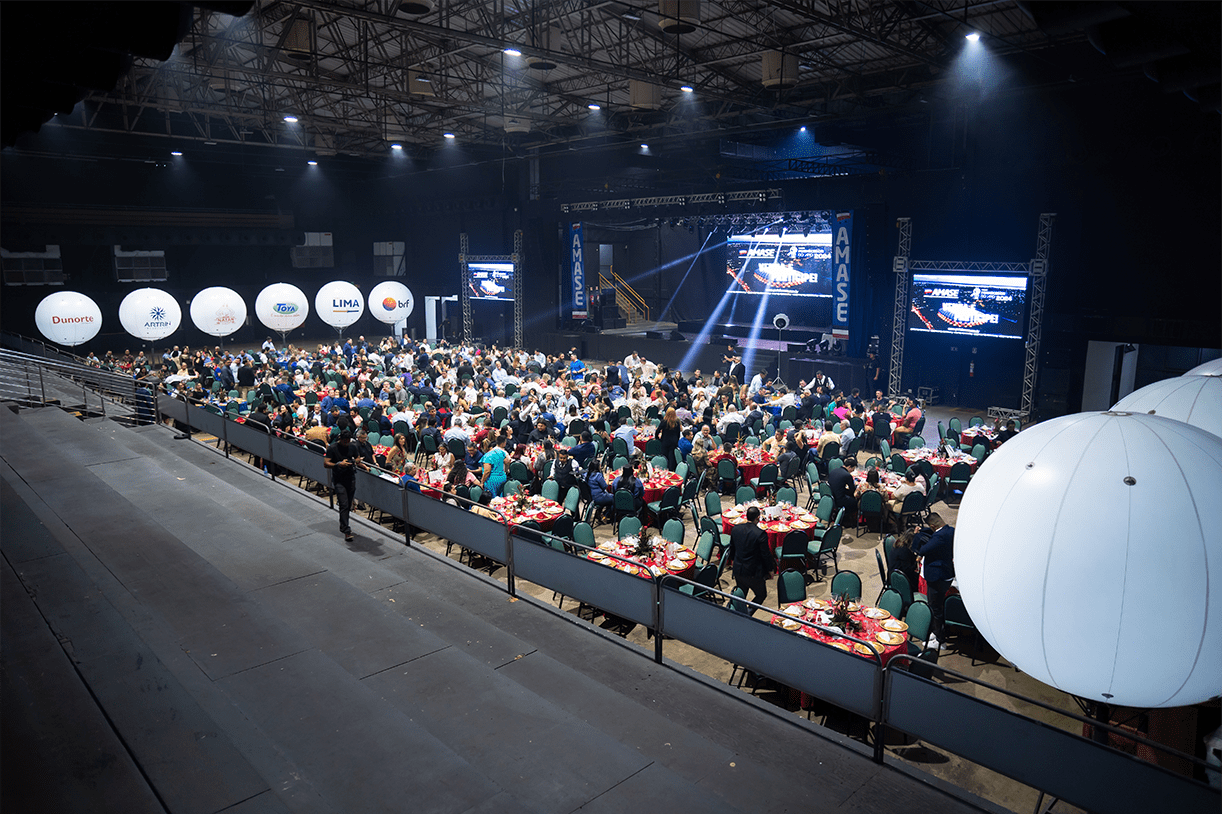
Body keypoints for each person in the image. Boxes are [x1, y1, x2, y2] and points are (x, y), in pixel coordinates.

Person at [913, 513, 955, 645]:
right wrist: (924, 530)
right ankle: (937, 631)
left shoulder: (938, 537)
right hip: (946, 573)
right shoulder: (951, 531)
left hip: (938, 577)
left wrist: (917, 536)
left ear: (933, 526)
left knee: (935, 607)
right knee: (937, 606)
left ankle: (940, 640)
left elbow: (923, 549)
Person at [726, 506, 776, 605]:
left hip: (738, 569)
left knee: (741, 596)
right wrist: (770, 570)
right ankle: (748, 612)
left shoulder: (736, 529)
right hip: (753, 573)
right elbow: (765, 555)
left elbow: (732, 548)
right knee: (761, 595)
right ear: (758, 518)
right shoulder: (760, 534)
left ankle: (737, 612)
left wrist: (734, 562)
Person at [325, 429, 368, 542]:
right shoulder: (332, 448)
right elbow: (326, 463)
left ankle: (344, 524)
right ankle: (346, 530)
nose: (346, 443)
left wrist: (355, 461)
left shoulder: (352, 446)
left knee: (348, 505)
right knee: (343, 504)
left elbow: (357, 458)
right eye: (345, 441)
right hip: (339, 479)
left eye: (348, 441)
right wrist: (338, 464)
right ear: (340, 439)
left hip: (351, 478)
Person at [828, 456, 857, 528]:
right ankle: (848, 521)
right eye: (852, 469)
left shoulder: (834, 470)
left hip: (831, 496)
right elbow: (852, 490)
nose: (852, 471)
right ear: (849, 467)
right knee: (855, 502)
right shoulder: (847, 475)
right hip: (839, 499)